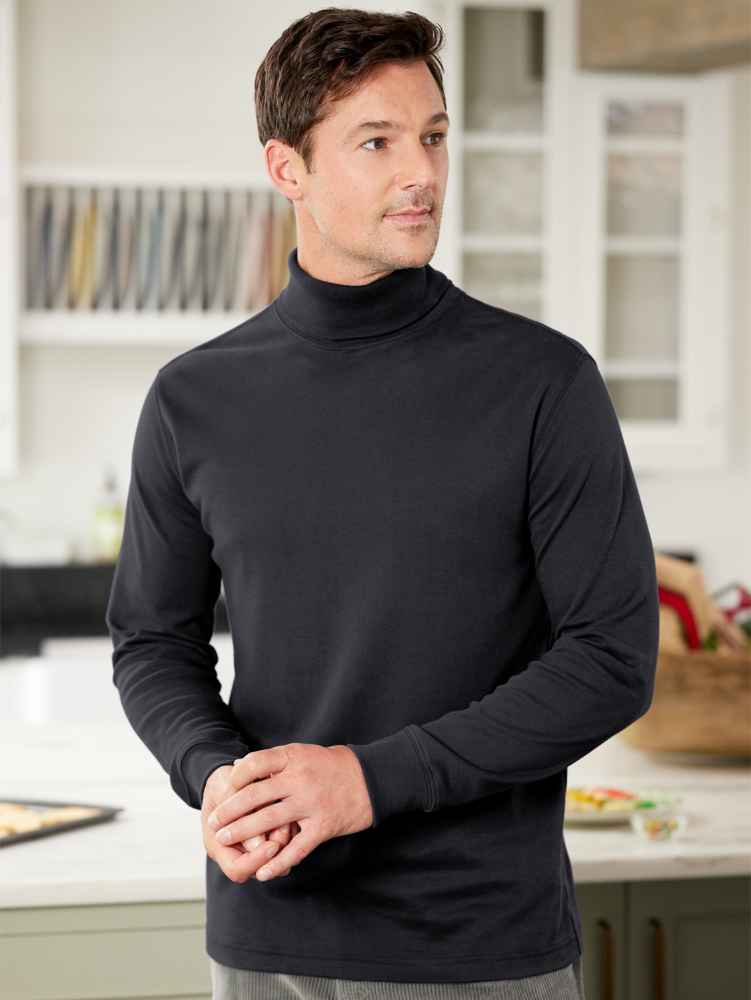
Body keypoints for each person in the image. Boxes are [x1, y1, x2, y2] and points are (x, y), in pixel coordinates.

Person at [107, 8, 659, 1000]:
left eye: (433, 137)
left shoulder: (542, 382)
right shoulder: (194, 399)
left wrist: (367, 781)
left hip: (478, 942)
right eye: (377, 143)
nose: (422, 174)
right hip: (268, 930)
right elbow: (152, 641)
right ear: (287, 168)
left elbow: (611, 659)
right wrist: (214, 774)